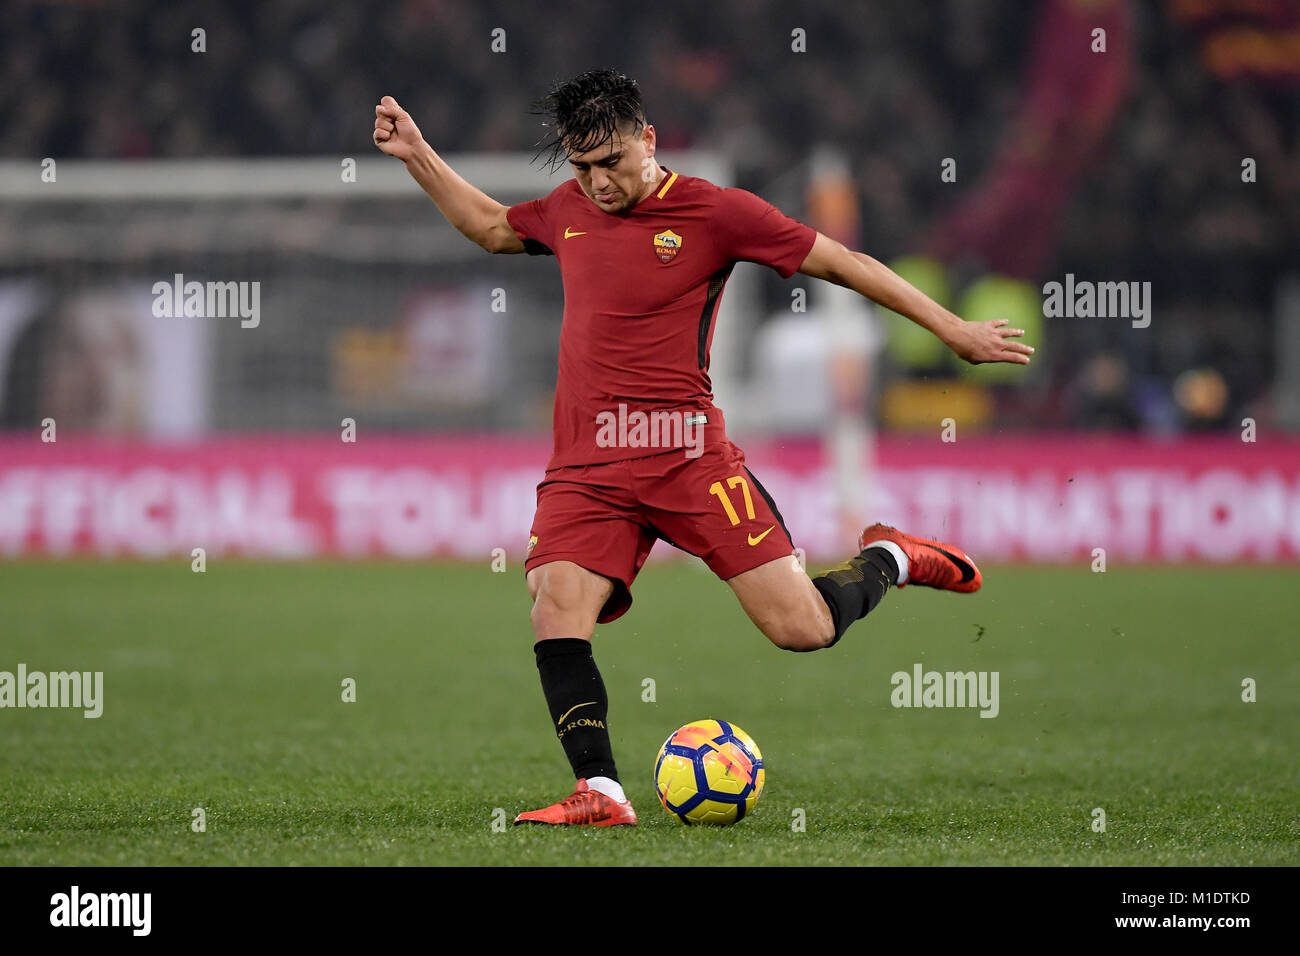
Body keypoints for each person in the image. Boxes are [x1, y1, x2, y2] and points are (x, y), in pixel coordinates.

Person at [373, 69, 1033, 826]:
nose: (597, 183)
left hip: (688, 458)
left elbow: (845, 263)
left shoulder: (718, 213)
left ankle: (891, 558)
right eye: (581, 168)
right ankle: (603, 792)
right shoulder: (567, 210)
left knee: (802, 629)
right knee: (555, 603)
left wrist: (953, 330)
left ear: (648, 140)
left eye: (611, 162)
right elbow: (491, 226)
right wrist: (418, 153)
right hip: (587, 464)